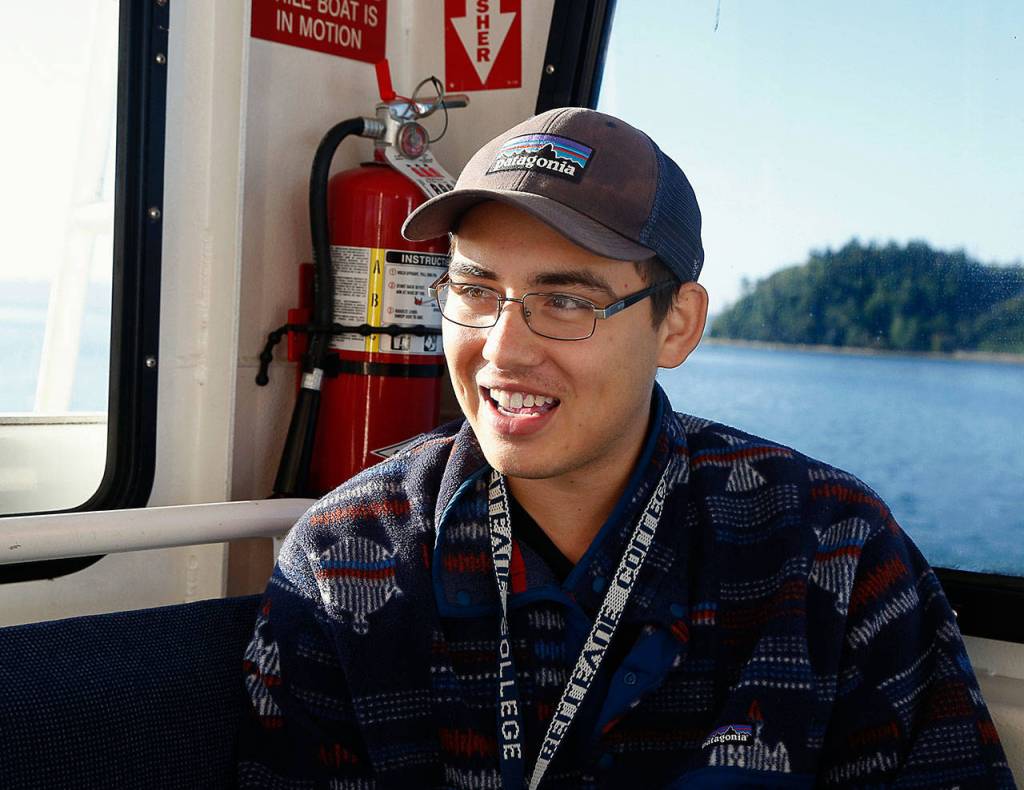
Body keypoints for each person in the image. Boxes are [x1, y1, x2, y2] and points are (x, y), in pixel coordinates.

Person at [238, 108, 1013, 789]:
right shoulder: (347, 561)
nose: (501, 351)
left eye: (566, 300)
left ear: (677, 325)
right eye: (475, 291)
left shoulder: (830, 552)